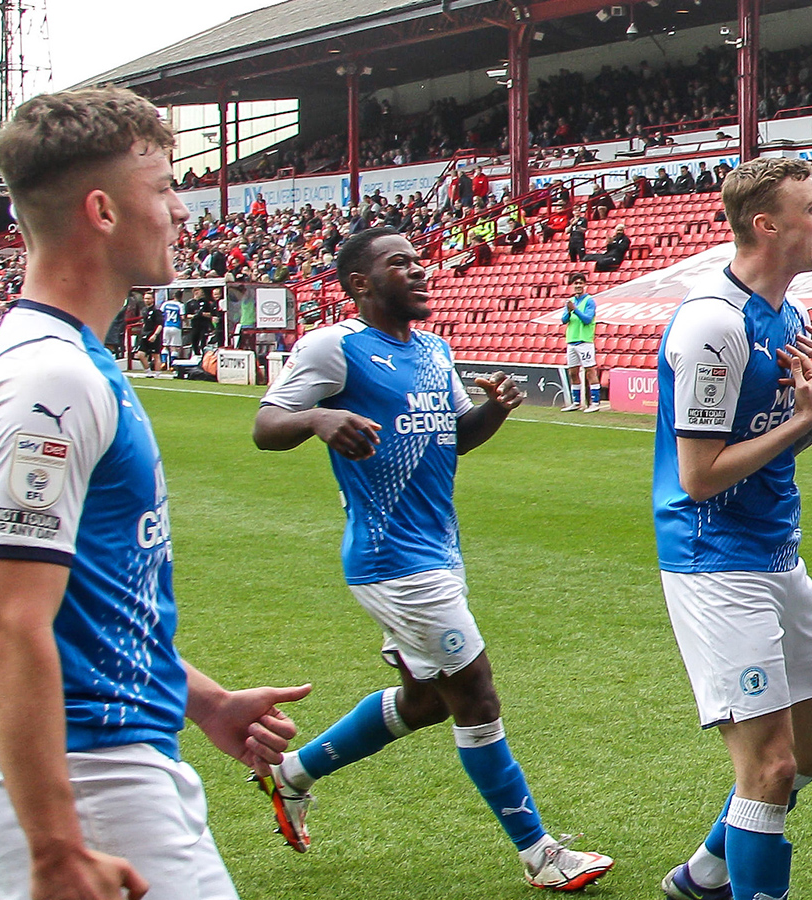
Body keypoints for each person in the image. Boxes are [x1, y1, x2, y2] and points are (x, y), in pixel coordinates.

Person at [0, 84, 308, 900]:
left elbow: (91, 597)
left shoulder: (62, 361)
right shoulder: (52, 378)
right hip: (93, 776)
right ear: (101, 210)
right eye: (165, 186)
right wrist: (58, 844)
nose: (180, 209)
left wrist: (201, 699)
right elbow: (12, 615)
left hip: (109, 755)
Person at [252, 226, 614, 891]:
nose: (419, 271)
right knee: (476, 692)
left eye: (419, 261)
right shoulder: (335, 348)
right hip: (394, 561)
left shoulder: (431, 350)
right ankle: (541, 855)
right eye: (400, 264)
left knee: (426, 703)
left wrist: (494, 410)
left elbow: (454, 439)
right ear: (361, 283)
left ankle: (294, 772)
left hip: (437, 553)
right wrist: (316, 421)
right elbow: (265, 423)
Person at [654, 157, 812, 900]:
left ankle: (705, 873)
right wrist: (802, 417)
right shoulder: (714, 324)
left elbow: (782, 440)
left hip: (776, 550)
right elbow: (700, 475)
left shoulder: (787, 316)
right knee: (767, 769)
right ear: (767, 225)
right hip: (714, 557)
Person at [561, 273, 600, 412]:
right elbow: (564, 320)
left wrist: (575, 310)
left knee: (590, 371)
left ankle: (595, 402)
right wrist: (568, 310)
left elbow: (587, 319)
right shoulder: (571, 301)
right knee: (573, 372)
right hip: (571, 340)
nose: (578, 286)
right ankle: (576, 402)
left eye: (580, 283)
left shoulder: (589, 301)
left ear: (584, 285)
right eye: (575, 283)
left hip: (585, 341)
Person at [158, 289, 184, 365]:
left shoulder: (165, 304)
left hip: (166, 326)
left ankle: (163, 362)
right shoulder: (180, 305)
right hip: (176, 327)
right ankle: (173, 364)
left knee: (165, 345)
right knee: (174, 347)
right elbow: (182, 317)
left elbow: (161, 314)